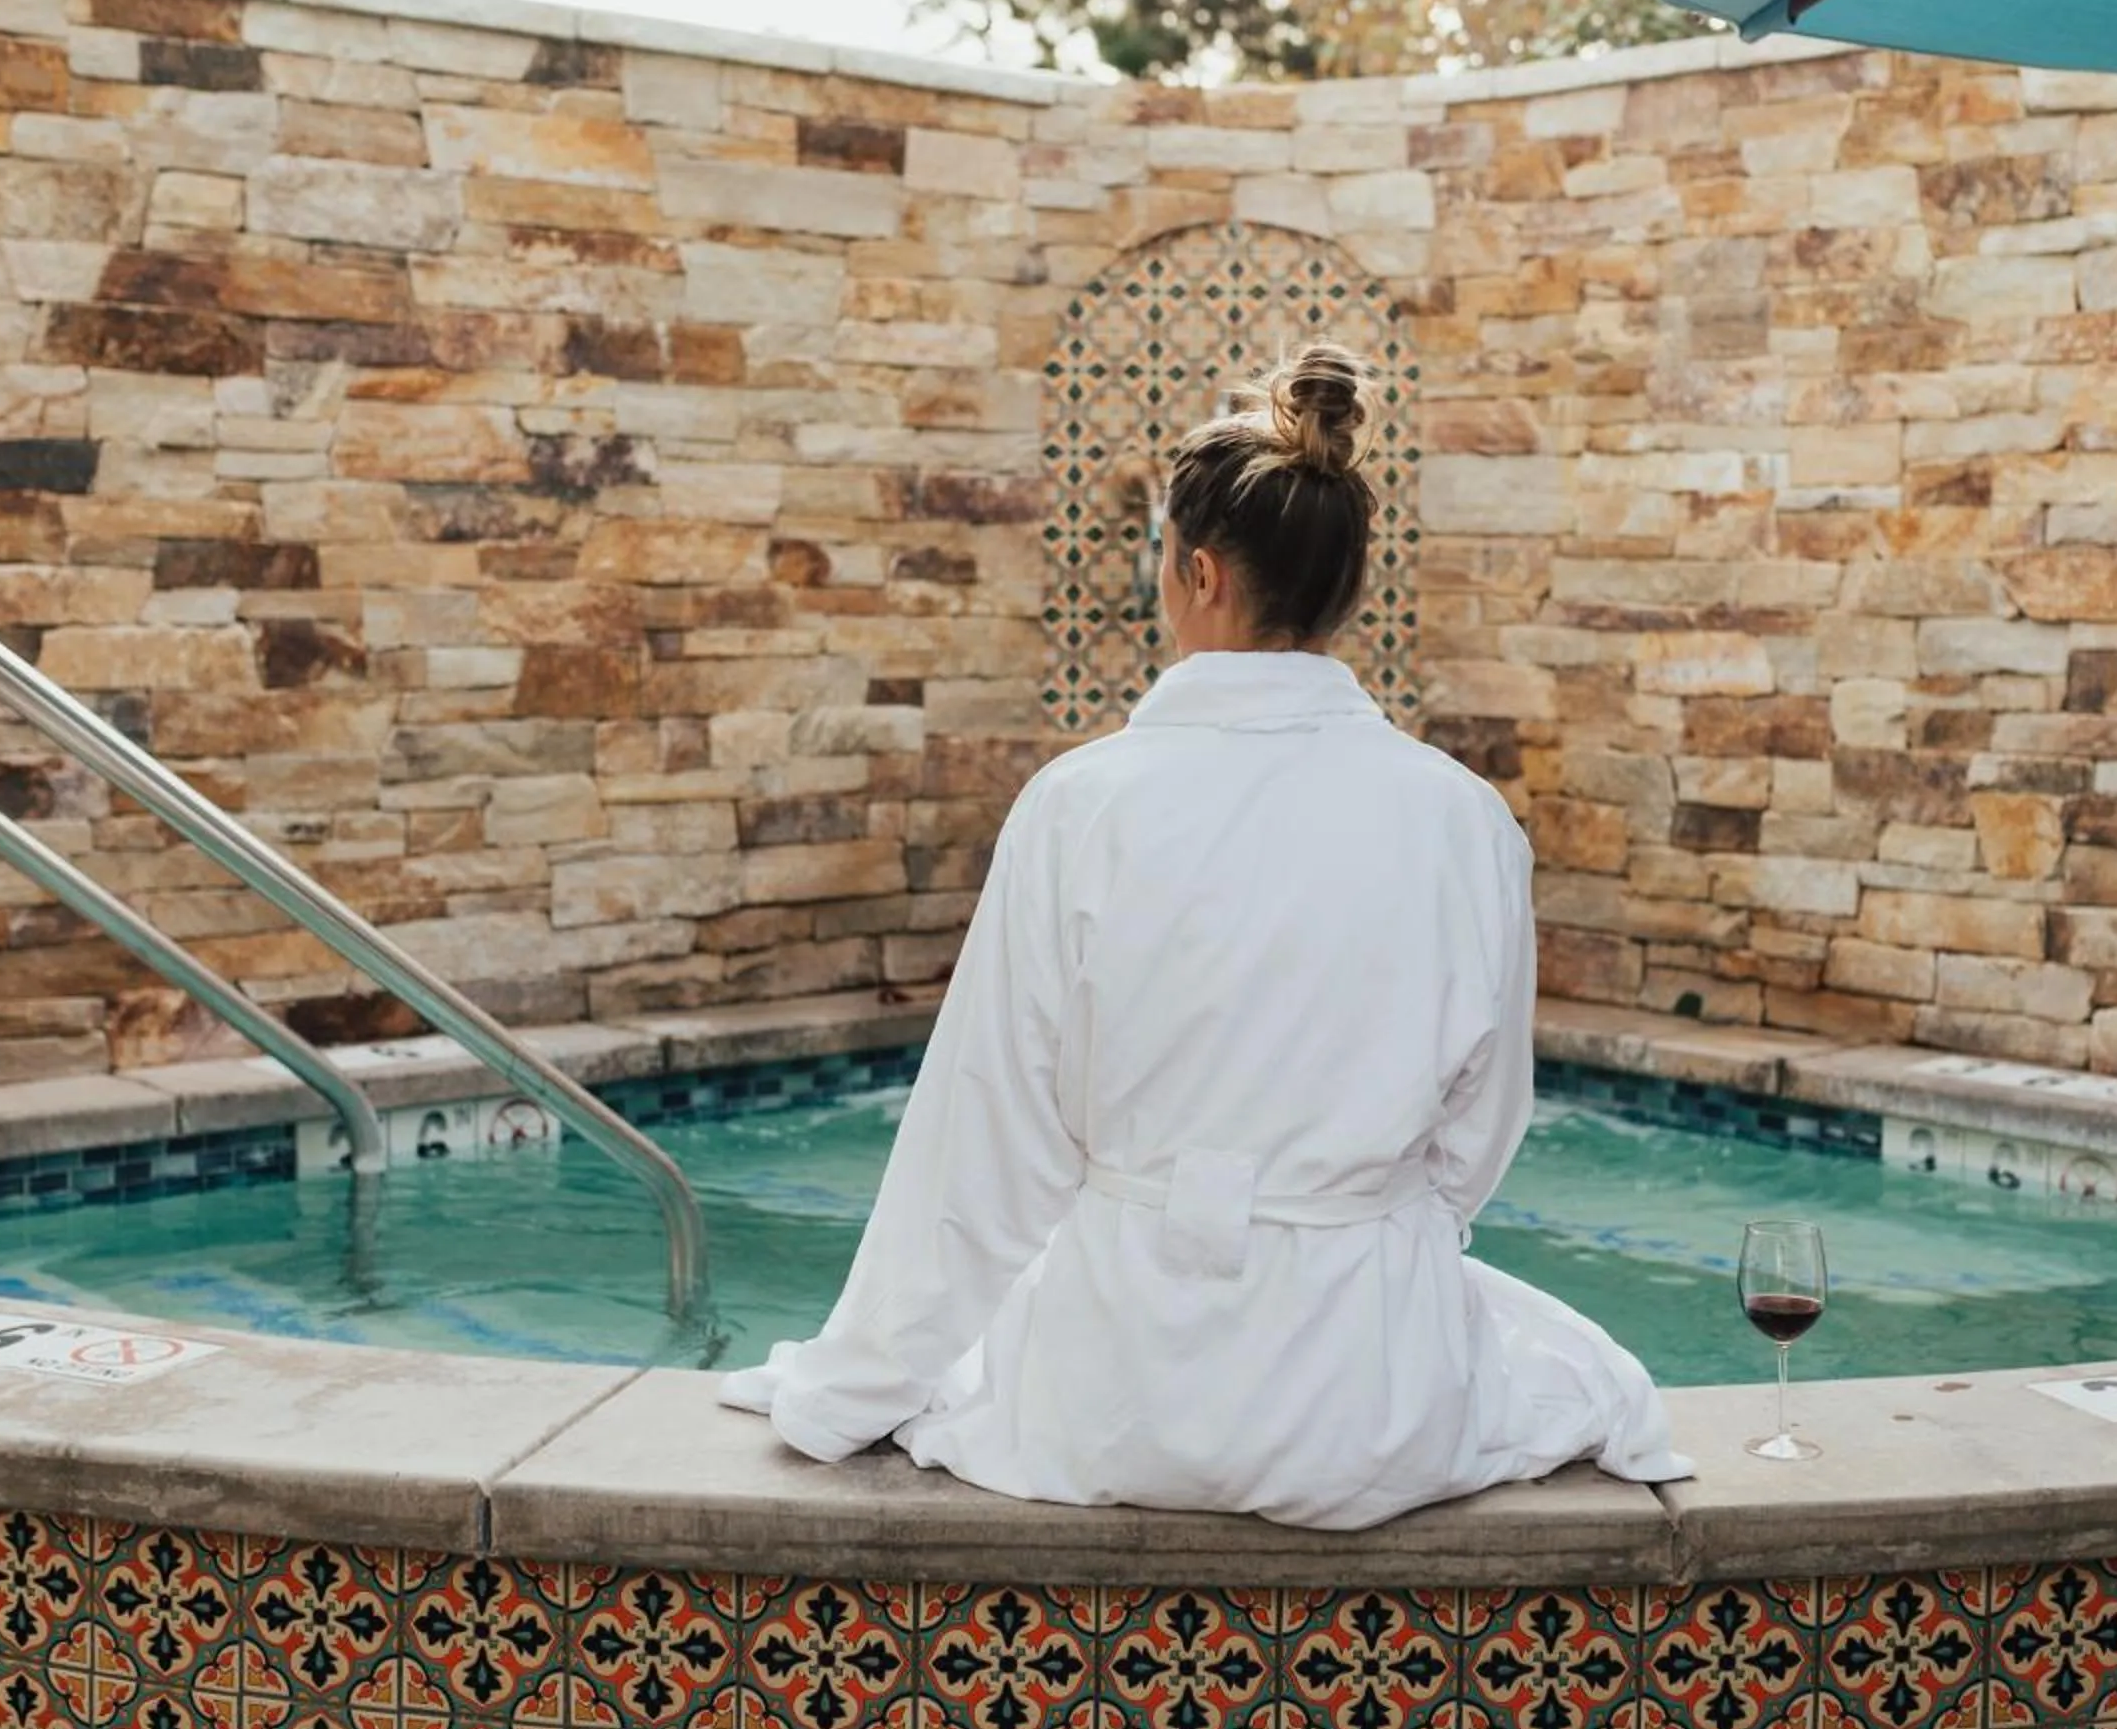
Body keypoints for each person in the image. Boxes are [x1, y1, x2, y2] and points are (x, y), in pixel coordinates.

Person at [717, 344, 1691, 1529]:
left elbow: (982, 1154)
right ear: (1347, 591)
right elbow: (1475, 1138)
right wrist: (1352, 1244)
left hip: (1115, 1388)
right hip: (1372, 1396)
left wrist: (853, 1384)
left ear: (1199, 573)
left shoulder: (1082, 805)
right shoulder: (1465, 819)